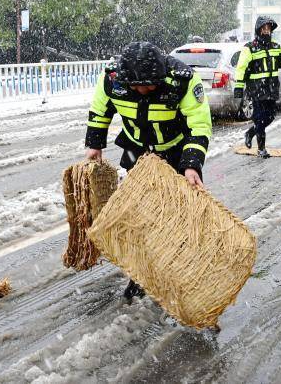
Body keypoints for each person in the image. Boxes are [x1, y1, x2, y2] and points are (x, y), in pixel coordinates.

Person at [84, 41, 212, 298]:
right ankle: (142, 275)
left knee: (179, 217)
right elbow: (100, 110)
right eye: (139, 86)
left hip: (176, 152)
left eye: (151, 84)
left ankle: (179, 271)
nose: (145, 90)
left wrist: (191, 165)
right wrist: (94, 145)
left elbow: (199, 125)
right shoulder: (112, 79)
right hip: (137, 151)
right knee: (141, 216)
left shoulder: (183, 80)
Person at [234, 16, 281, 157]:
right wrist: (238, 87)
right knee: (260, 118)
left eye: (269, 28)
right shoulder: (250, 48)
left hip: (272, 88)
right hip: (256, 90)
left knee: (270, 117)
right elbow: (241, 68)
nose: (267, 31)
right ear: (258, 29)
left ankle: (250, 133)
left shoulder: (275, 46)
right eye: (264, 28)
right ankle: (261, 149)